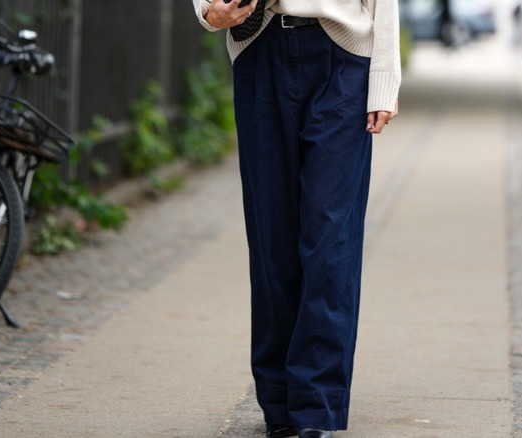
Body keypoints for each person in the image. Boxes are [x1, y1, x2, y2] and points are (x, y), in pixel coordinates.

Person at [191, 1, 401, 437]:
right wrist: (207, 10)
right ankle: (280, 403)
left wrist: (384, 80)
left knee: (330, 239)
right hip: (260, 46)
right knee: (272, 236)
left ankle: (317, 405)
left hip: (343, 57)